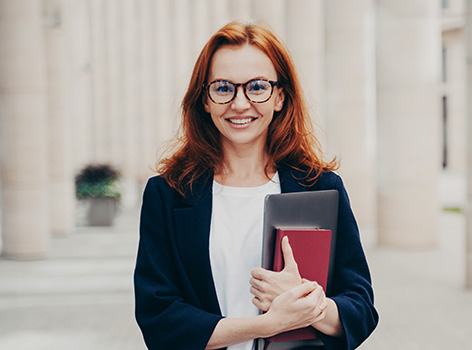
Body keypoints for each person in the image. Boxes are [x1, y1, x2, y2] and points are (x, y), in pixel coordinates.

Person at [134, 21, 378, 350]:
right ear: (204, 100)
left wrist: (309, 304)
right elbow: (159, 319)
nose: (239, 103)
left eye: (257, 86)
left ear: (279, 97)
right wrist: (269, 323)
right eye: (223, 88)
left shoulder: (321, 187)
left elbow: (361, 309)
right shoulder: (168, 194)